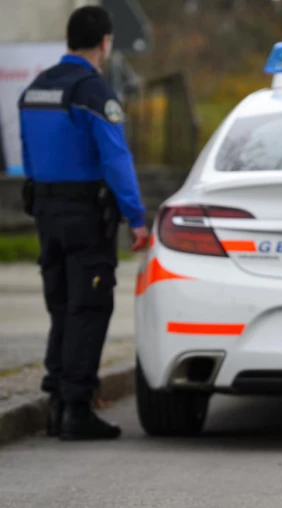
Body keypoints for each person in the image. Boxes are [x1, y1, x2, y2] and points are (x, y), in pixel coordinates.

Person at [18, 5, 148, 441]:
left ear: (70, 40)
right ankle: (76, 409)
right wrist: (136, 218)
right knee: (88, 308)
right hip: (85, 217)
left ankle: (56, 403)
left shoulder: (35, 89)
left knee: (61, 308)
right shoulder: (94, 93)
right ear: (105, 42)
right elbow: (115, 159)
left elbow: (29, 156)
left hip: (46, 213)